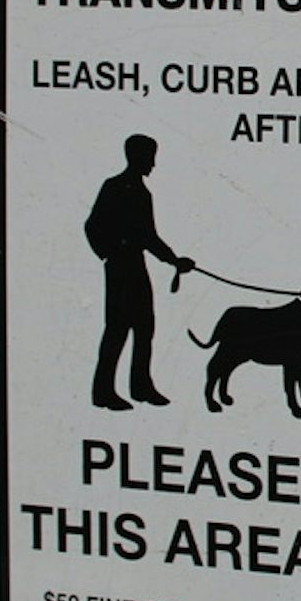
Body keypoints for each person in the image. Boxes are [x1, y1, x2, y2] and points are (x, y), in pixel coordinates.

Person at [85, 134, 194, 410]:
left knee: (145, 327)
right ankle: (103, 391)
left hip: (137, 266)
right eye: (150, 156)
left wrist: (174, 260)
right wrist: (110, 251)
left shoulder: (143, 193)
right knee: (117, 330)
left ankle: (141, 386)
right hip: (120, 268)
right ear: (136, 156)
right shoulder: (114, 187)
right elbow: (92, 226)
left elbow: (149, 236)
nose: (153, 164)